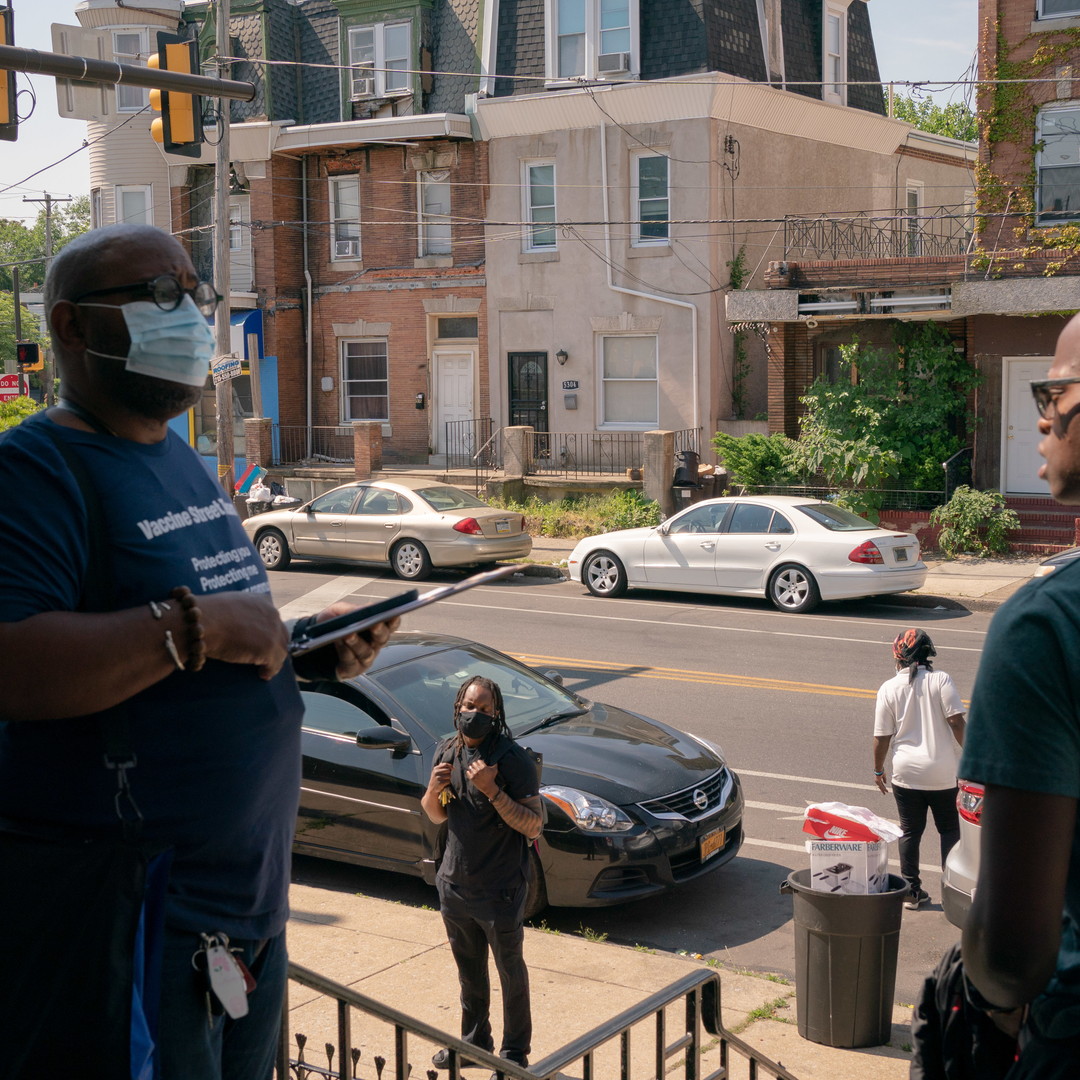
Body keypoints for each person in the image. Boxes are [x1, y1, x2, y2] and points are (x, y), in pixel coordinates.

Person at [0, 224, 398, 1079]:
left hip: (248, 910)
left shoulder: (177, 456)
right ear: (71, 327)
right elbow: (15, 666)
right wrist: (198, 629)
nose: (187, 312)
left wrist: (304, 654)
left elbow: (201, 635)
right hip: (137, 920)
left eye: (193, 291)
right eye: (157, 295)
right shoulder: (35, 471)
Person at [959, 313, 1080, 1076]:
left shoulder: (1046, 628)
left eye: (1056, 388)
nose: (1040, 413)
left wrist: (979, 989)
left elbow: (1010, 957)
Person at [420, 677, 543, 1076]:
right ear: (458, 706)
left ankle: (513, 1056)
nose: (476, 714)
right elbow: (437, 814)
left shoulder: (511, 760)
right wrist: (432, 791)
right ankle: (474, 1044)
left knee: (511, 974)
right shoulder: (446, 751)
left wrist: (493, 791)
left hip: (501, 890)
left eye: (485, 709)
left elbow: (534, 826)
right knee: (468, 972)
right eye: (470, 705)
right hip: (454, 884)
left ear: (496, 714)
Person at [873, 628, 966, 910]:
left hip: (906, 774)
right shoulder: (941, 680)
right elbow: (957, 723)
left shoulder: (888, 688)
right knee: (950, 831)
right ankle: (953, 892)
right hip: (943, 774)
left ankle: (911, 892)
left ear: (897, 656)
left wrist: (878, 770)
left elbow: (882, 737)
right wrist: (974, 760)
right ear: (928, 654)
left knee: (910, 832)